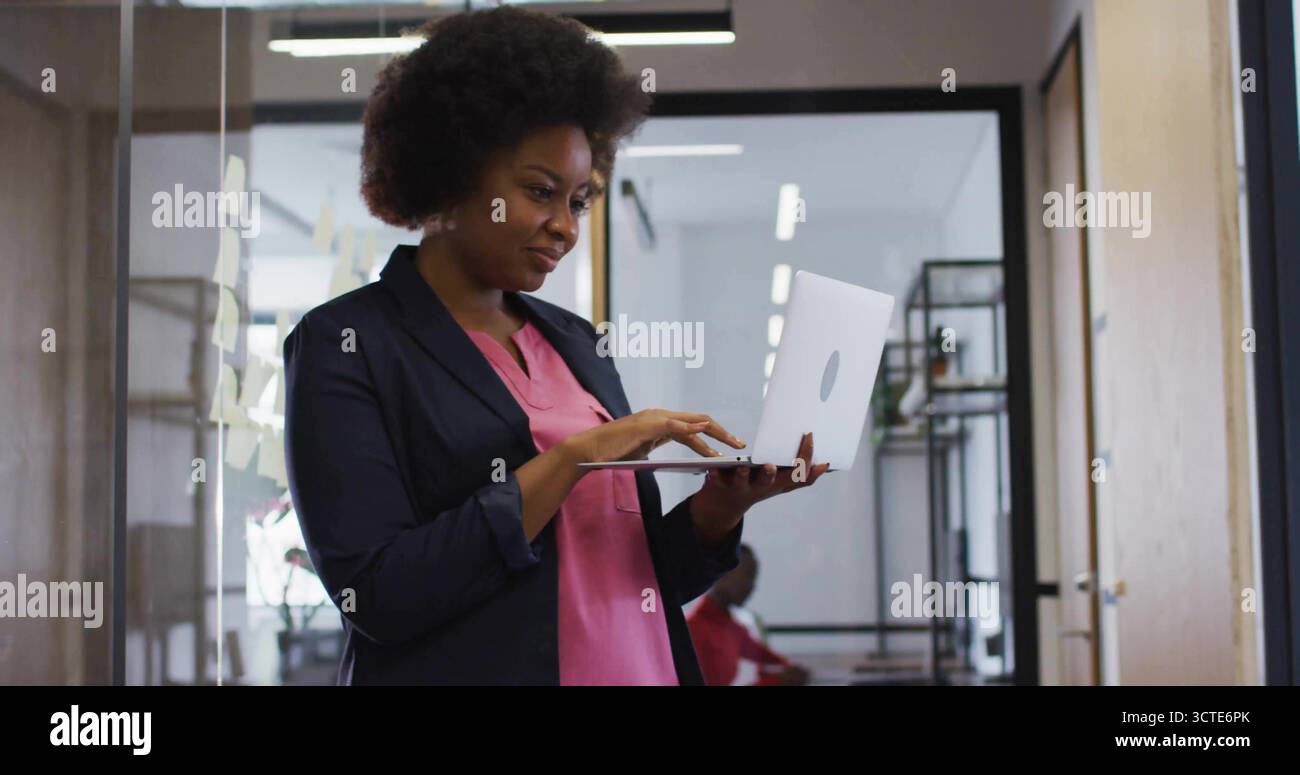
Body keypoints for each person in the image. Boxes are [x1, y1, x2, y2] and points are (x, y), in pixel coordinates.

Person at [283, 5, 830, 685]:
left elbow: (630, 575)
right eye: (541, 192)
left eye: (578, 201)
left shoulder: (573, 342)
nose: (564, 228)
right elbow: (380, 595)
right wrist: (574, 457)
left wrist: (719, 511)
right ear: (453, 171)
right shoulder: (351, 342)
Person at [687, 545, 812, 686]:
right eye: (748, 575)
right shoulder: (694, 629)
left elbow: (766, 657)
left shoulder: (731, 628)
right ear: (723, 572)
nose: (752, 586)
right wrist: (779, 680)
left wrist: (792, 672)